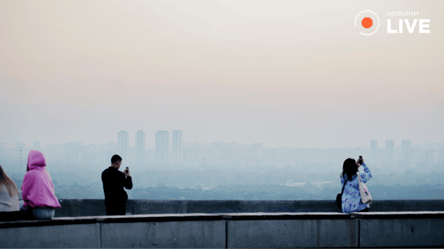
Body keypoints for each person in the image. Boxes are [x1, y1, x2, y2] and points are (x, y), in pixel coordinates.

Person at [21, 150, 61, 219]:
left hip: (39, 211)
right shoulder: (46, 174)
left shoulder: (30, 174)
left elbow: (24, 195)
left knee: (18, 205)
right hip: (51, 212)